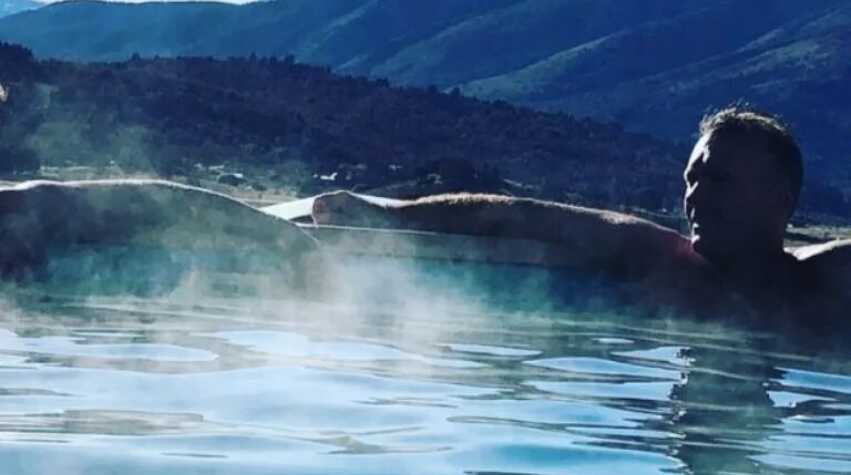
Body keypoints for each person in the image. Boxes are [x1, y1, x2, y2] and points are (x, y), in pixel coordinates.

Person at [311, 107, 851, 321]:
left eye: (721, 181)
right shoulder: (663, 260)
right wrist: (396, 216)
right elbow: (528, 216)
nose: (696, 197)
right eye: (692, 178)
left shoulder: (826, 278)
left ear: (780, 200)